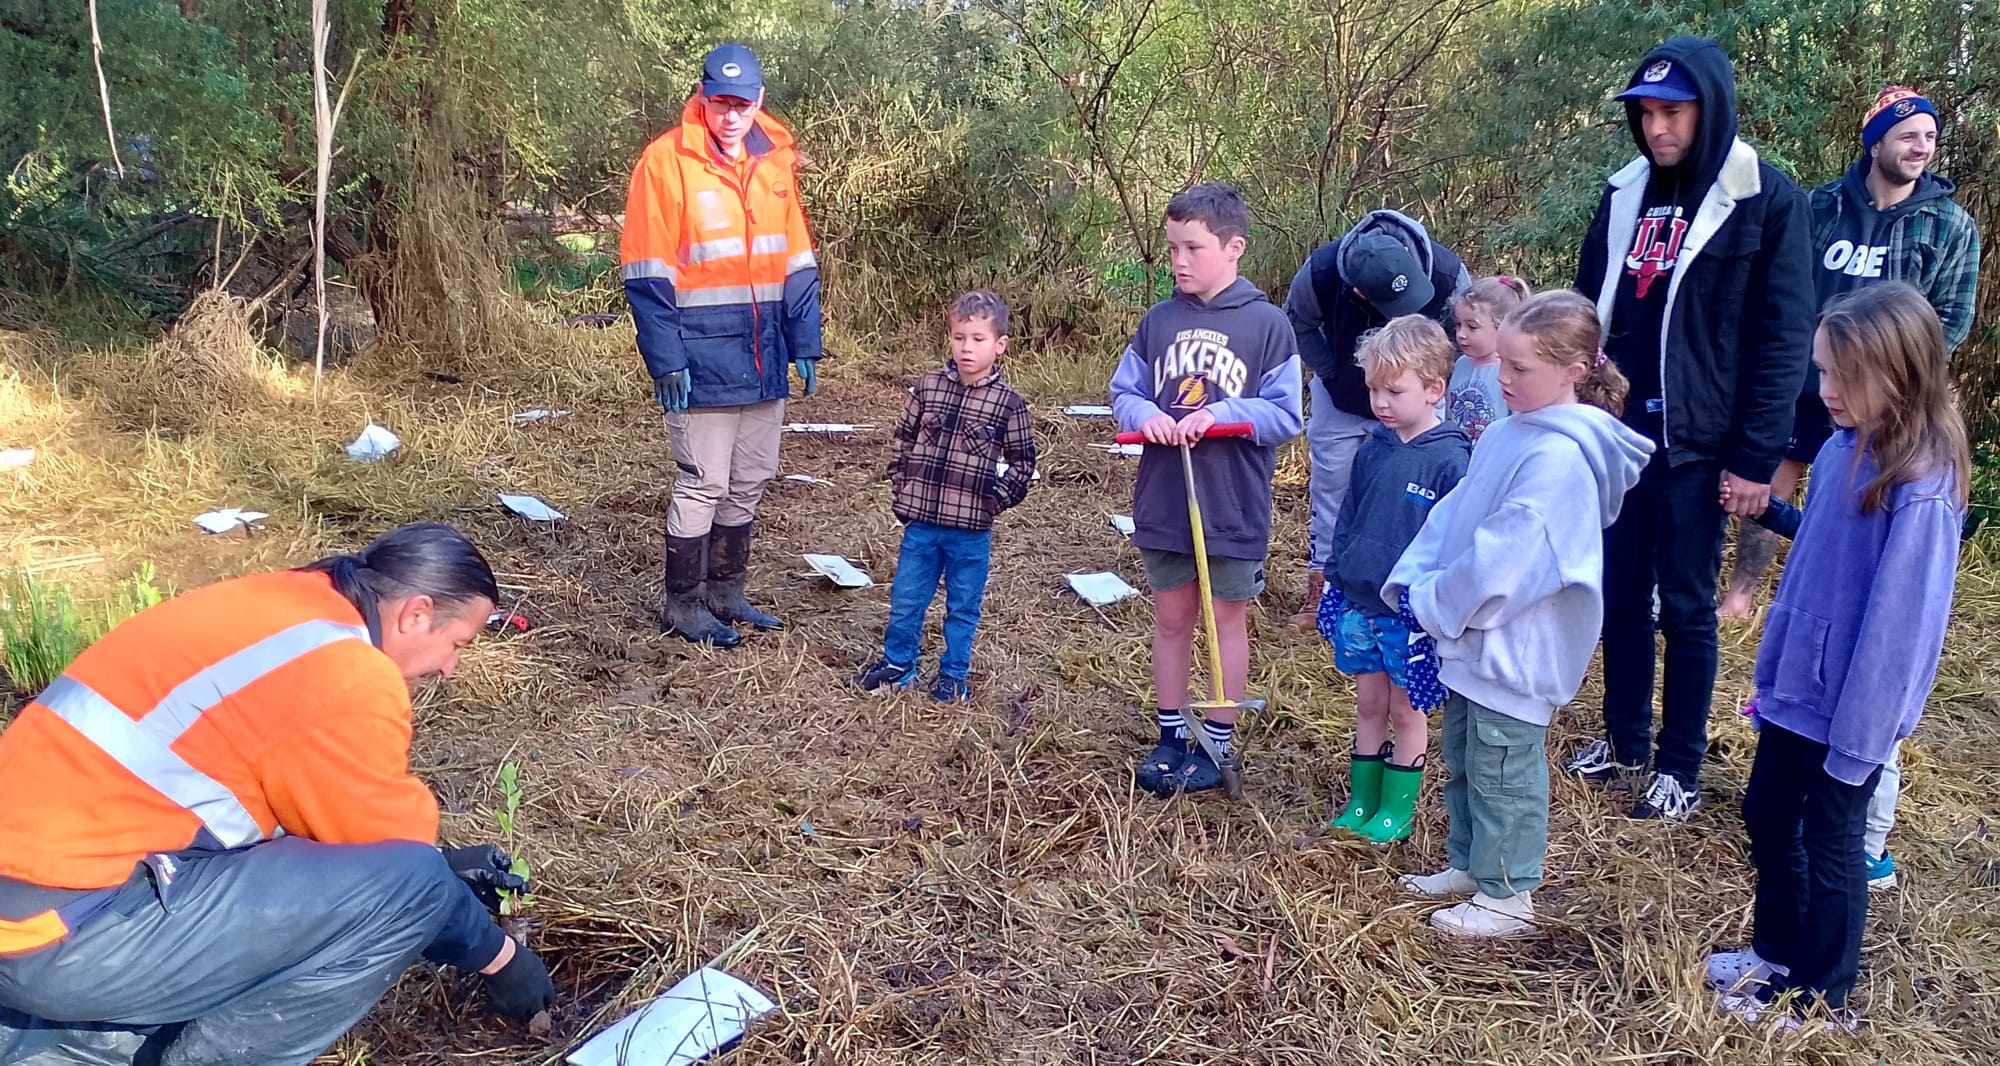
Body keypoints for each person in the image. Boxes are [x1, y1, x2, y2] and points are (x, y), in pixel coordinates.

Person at [0, 524, 554, 1066]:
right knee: (415, 887)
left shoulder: (275, 603)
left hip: (40, 898)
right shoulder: (346, 674)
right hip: (60, 940)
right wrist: (500, 959)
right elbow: (401, 879)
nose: (449, 669)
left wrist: (440, 863)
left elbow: (339, 830)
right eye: (457, 644)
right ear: (416, 613)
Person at [1718, 85, 1981, 887]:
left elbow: (1953, 321)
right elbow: (1786, 289)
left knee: (1838, 822)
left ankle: (1864, 833)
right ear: (1875, 140)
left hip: (1887, 412)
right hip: (1821, 397)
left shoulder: (1948, 226)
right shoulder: (1825, 209)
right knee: (1798, 508)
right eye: (1908, 131)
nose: (1923, 144)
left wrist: (1880, 370)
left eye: (1932, 134)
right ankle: (1744, 592)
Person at [1565, 37, 1816, 821]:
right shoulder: (1626, 191)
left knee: (1685, 605)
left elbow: (1783, 340)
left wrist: (1753, 458)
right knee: (1619, 593)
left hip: (1702, 443)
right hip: (1618, 432)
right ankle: (1626, 741)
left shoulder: (1765, 200)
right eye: (1644, 114)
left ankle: (1680, 767)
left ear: (1709, 108)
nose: (1656, 128)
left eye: (1671, 112)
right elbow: (1585, 304)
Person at [1705, 283, 1966, 1030]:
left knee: (1830, 840)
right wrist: (1771, 512)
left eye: (1841, 378)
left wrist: (1863, 735)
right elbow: (1829, 547)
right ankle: (1779, 954)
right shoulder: (1842, 443)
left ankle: (1826, 995)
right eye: (1820, 373)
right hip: (1800, 686)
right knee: (1766, 812)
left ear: (1901, 370)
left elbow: (1903, 626)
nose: (1824, 392)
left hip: (1851, 705)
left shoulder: (1921, 482)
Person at [1387, 291, 1654, 937]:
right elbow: (1454, 516)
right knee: (1467, 755)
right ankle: (1472, 866)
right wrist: (1417, 579)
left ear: (1573, 370)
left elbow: (1507, 560)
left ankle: (1509, 895)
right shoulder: (1510, 431)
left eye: (1520, 368)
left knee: (1505, 768)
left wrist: (1439, 600)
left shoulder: (1563, 458)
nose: (1502, 378)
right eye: (1501, 362)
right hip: (1470, 639)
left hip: (1516, 649)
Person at [623, 42, 823, 647]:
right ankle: (682, 603)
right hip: (700, 356)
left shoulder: (776, 163)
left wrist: (805, 342)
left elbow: (798, 263)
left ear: (759, 100)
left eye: (742, 103)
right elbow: (646, 271)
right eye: (720, 102)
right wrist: (666, 358)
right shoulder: (665, 162)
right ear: (703, 99)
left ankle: (727, 591)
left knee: (751, 478)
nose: (731, 115)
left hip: (764, 354)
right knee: (703, 481)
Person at [1112, 181, 1304, 796]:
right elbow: (1124, 393)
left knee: (1226, 618)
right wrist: (1146, 418)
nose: (1179, 261)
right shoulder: (1159, 320)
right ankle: (1171, 732)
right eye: (1172, 248)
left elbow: (1285, 415)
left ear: (1234, 247)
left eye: (1192, 248)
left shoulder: (1268, 325)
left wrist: (1220, 416)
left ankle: (1216, 738)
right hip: (1165, 497)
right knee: (1171, 617)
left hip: (1231, 502)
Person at [1281, 211, 1471, 628]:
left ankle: (1413, 596)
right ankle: (1326, 592)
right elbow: (1297, 322)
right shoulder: (1323, 271)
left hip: (1420, 401)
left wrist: (1434, 385)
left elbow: (1465, 336)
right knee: (1334, 490)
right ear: (1359, 293)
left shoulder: (1447, 273)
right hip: (1345, 395)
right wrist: (1332, 370)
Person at [1320, 317, 1469, 843]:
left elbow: (1455, 543)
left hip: (1409, 613)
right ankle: (1360, 798)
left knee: (1407, 708)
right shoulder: (1373, 448)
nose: (1381, 402)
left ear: (1434, 389)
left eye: (1394, 390)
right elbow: (1349, 515)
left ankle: (1396, 809)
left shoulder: (1452, 459)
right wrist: (1336, 575)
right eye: (1374, 389)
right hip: (1361, 600)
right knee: (1368, 702)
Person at [853, 292, 1037, 703]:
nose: (966, 348)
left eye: (977, 339)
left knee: (962, 608)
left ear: (999, 345)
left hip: (971, 532)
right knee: (906, 600)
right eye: (959, 337)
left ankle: (954, 676)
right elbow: (902, 441)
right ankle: (899, 665)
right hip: (921, 524)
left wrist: (994, 501)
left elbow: (1024, 463)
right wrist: (902, 488)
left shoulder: (1008, 404)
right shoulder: (928, 388)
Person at [1445, 276, 1533, 440]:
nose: (1461, 334)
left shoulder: (1511, 371)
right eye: (1458, 324)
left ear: (1502, 327)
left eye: (1472, 327)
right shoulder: (1460, 364)